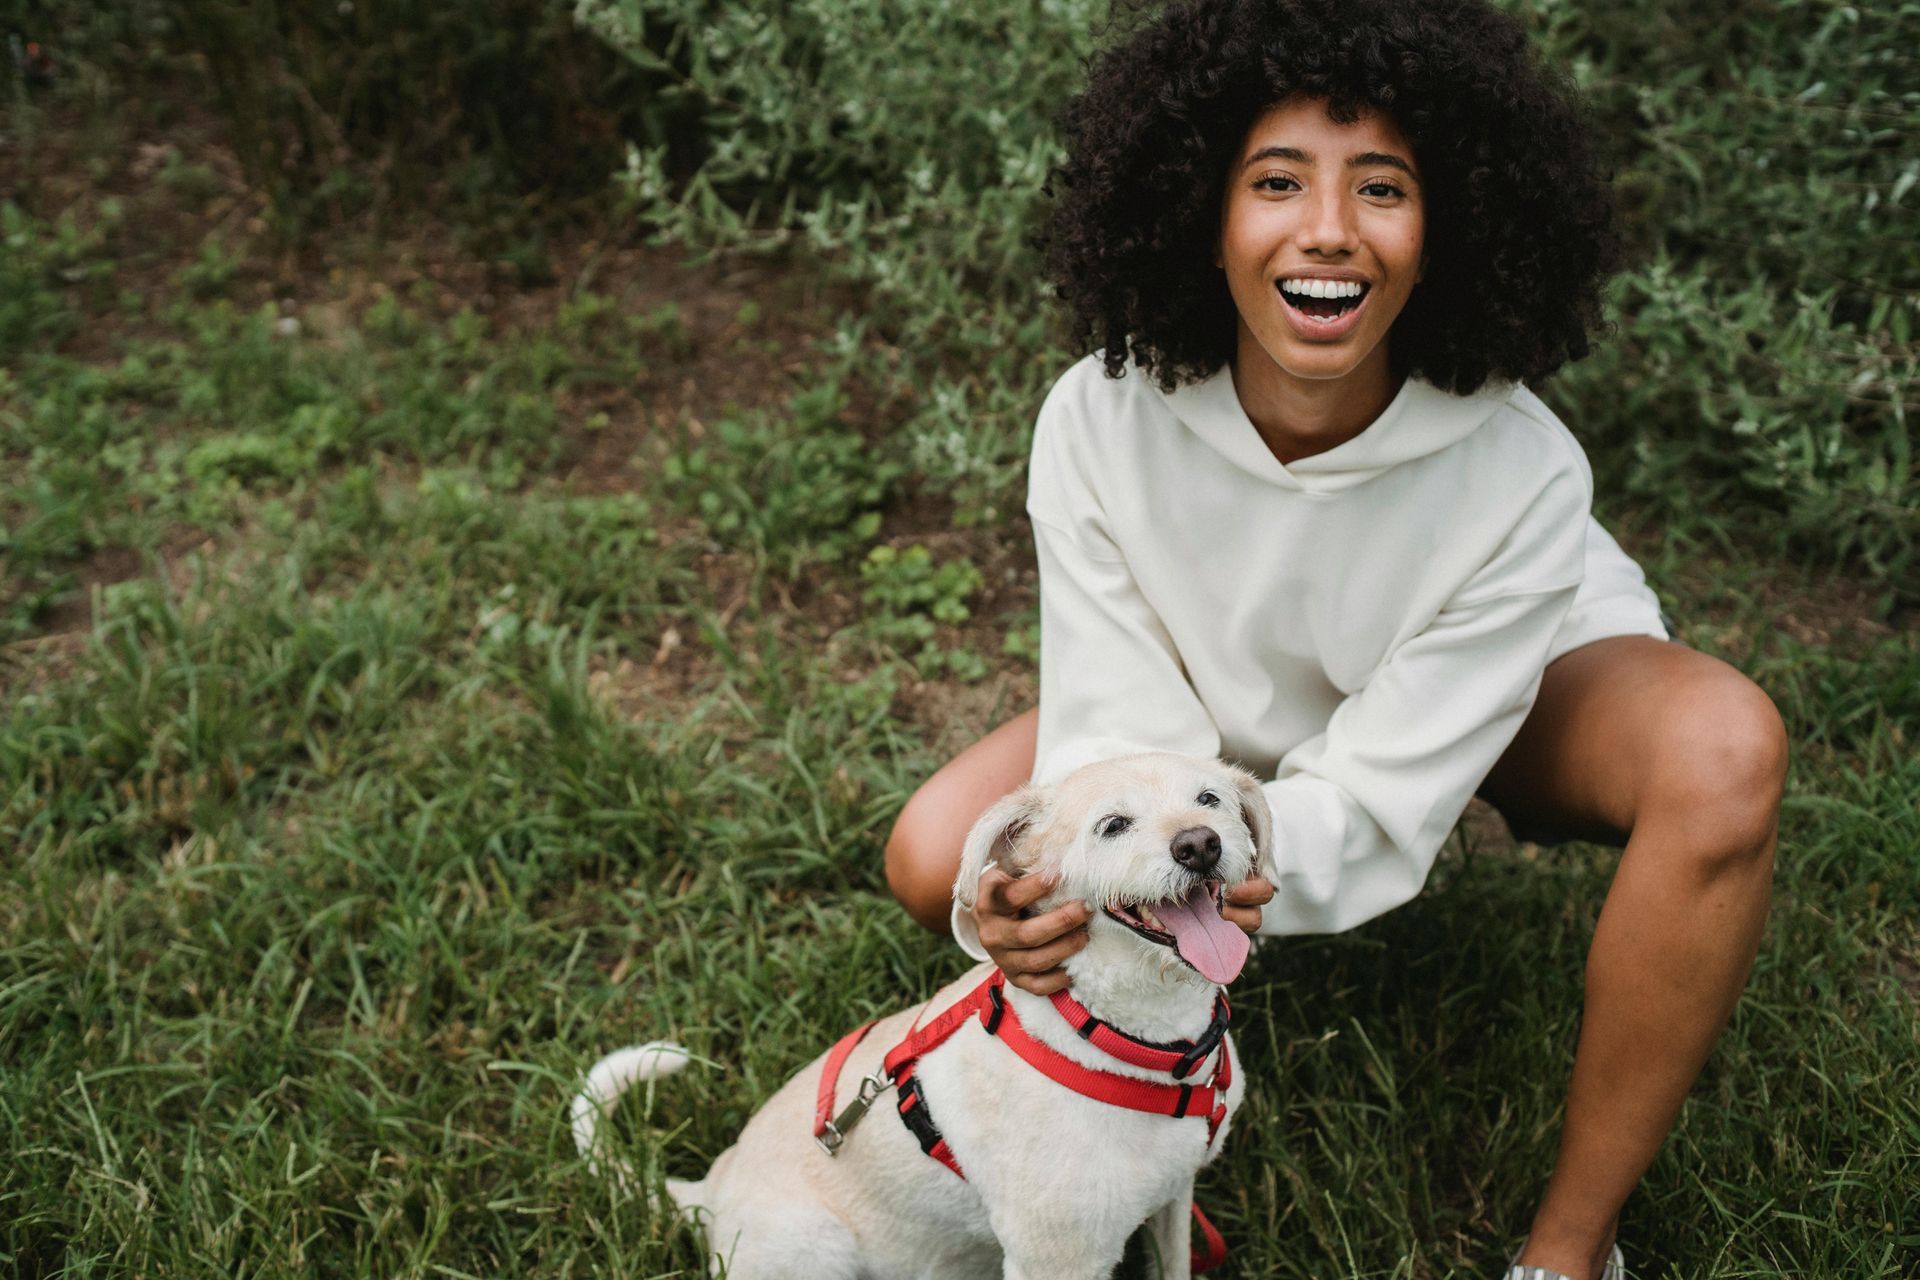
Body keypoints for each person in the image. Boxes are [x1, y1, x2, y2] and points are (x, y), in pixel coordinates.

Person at [882, 1, 1787, 1277]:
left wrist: (1243, 858)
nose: (1328, 229)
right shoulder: (1097, 417)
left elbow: (1385, 791)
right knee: (940, 857)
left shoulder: (1522, 470)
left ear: (1445, 231)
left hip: (1485, 688)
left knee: (1723, 748)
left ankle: (1569, 1250)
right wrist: (1067, 892)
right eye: (1274, 180)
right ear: (1201, 211)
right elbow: (1119, 730)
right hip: (1206, 716)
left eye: (1383, 186)